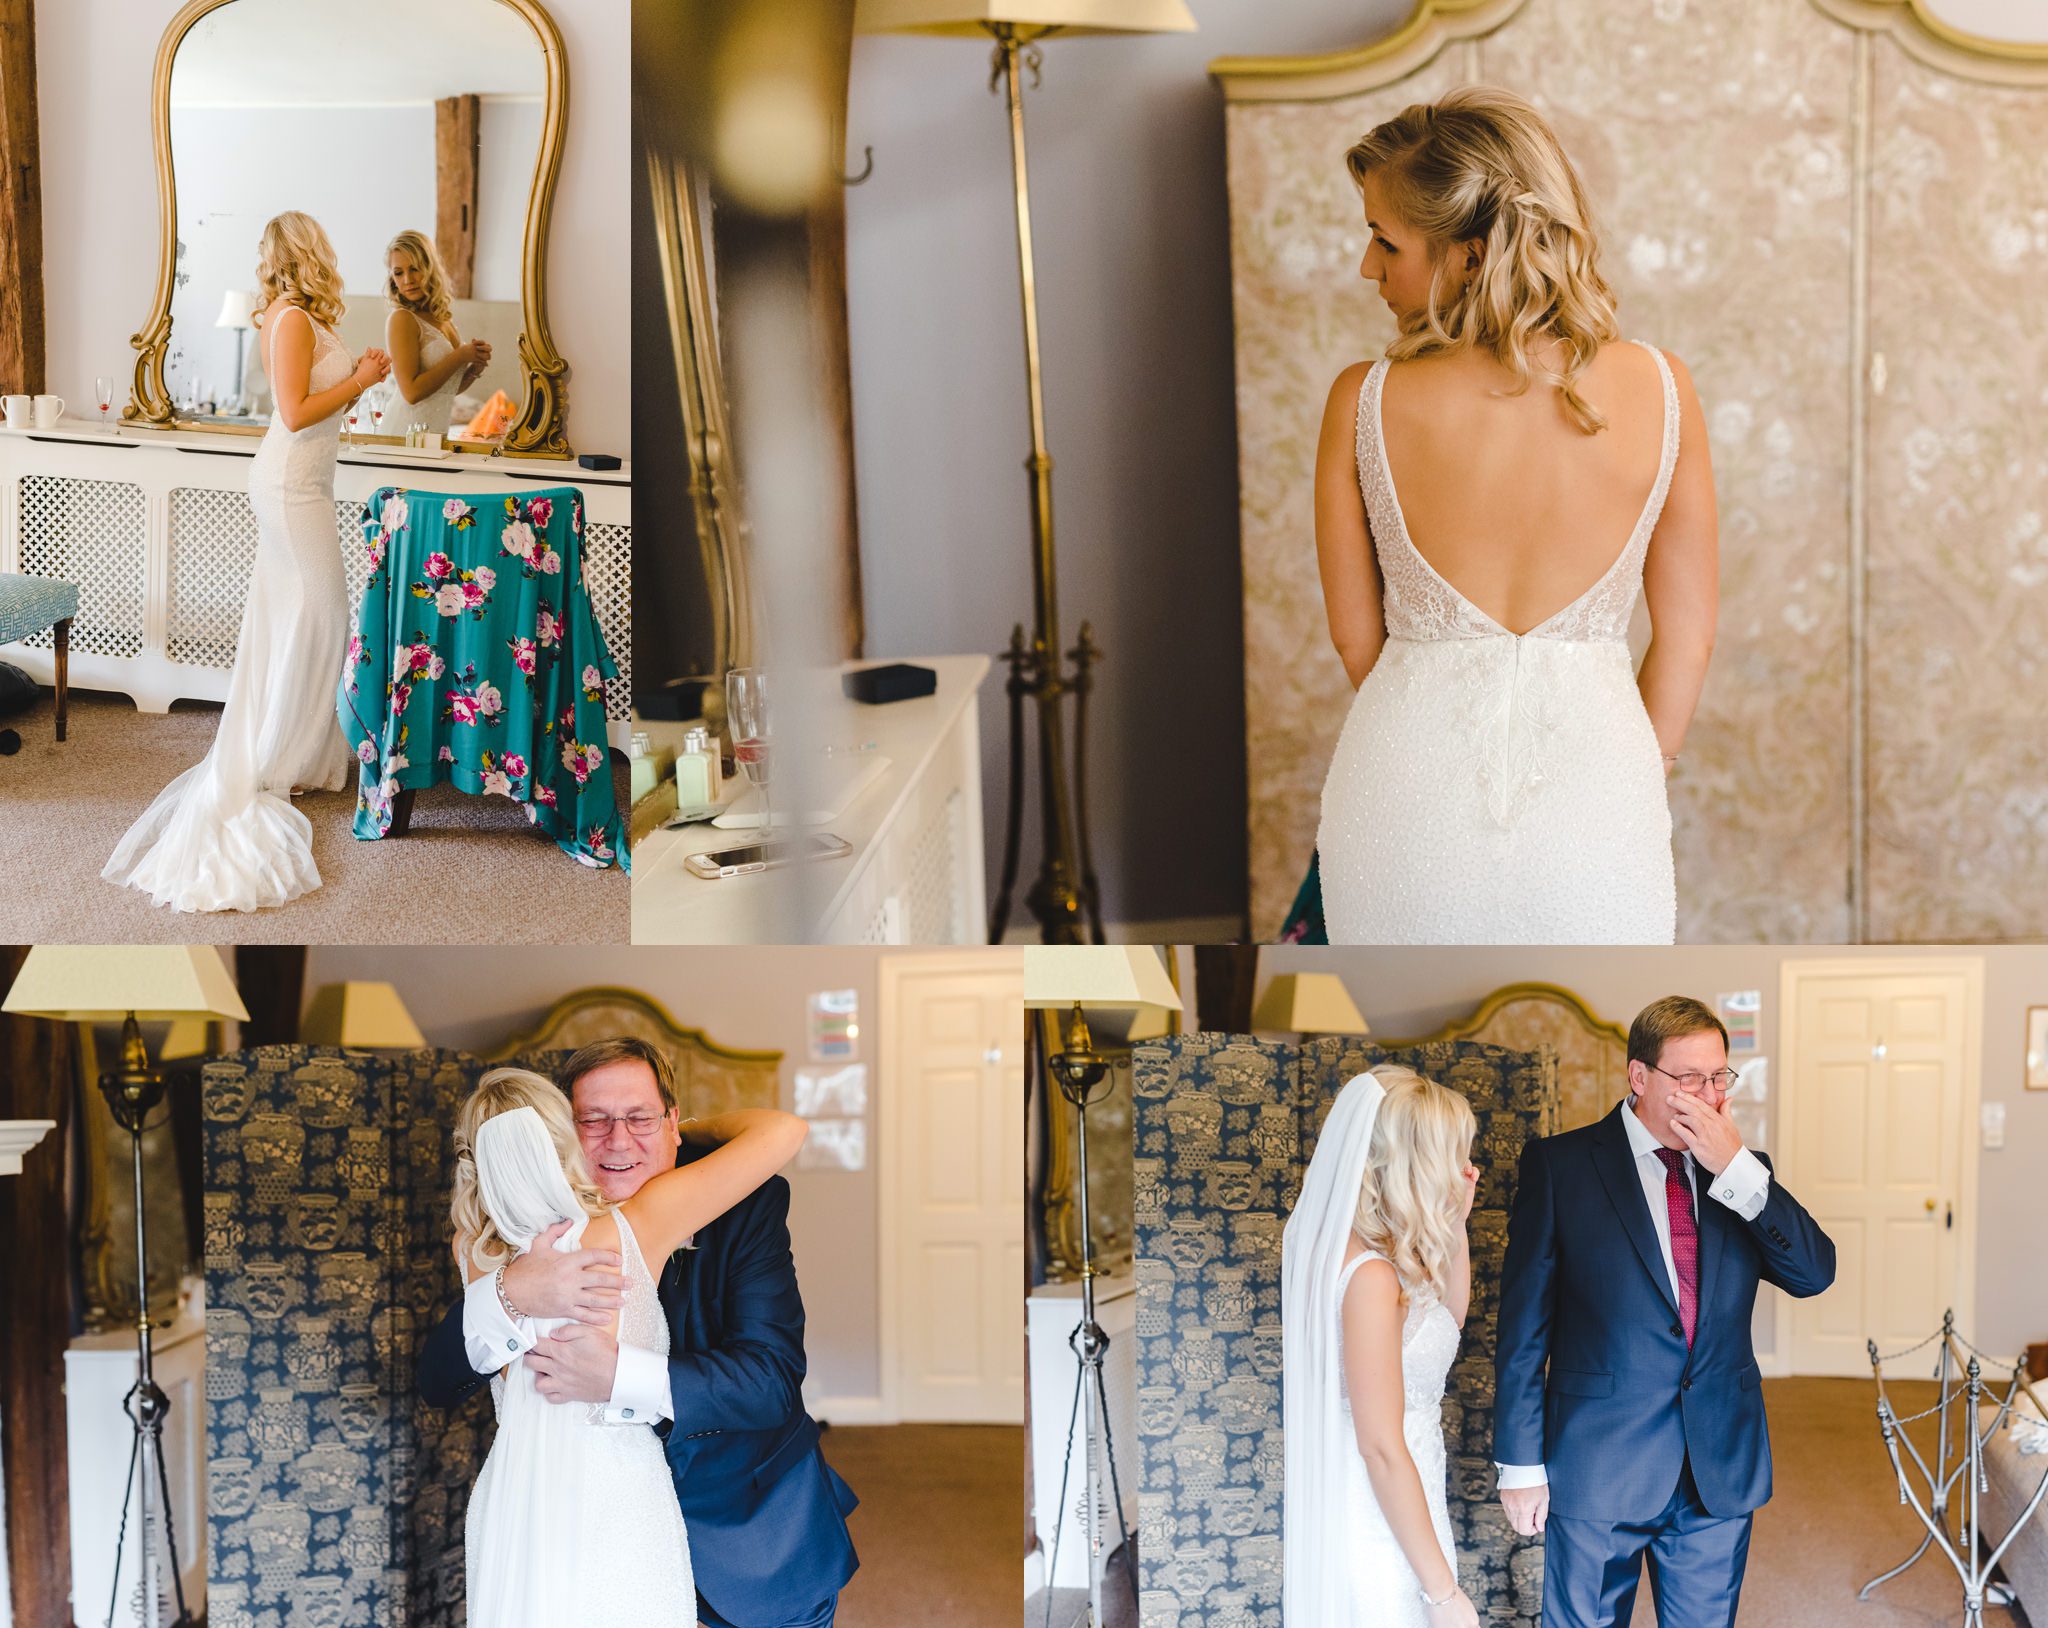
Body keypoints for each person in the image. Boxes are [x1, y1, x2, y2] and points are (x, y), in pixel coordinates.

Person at [1312, 87, 1718, 944]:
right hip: (1605, 792)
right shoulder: (1663, 387)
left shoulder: (1362, 398)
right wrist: (1642, 771)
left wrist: (1434, 712)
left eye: (1385, 241)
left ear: (1468, 254)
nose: (1366, 268)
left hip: (1401, 790)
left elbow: (1357, 642)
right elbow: (1687, 634)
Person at [418, 1039, 860, 1628]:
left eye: (641, 1118)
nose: (619, 1141)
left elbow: (771, 1381)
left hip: (748, 1533)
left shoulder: (740, 1202)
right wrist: (513, 1295)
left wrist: (617, 1375)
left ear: (673, 1120)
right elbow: (439, 1380)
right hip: (563, 1525)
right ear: (561, 1133)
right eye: (592, 1121)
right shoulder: (510, 1248)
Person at [1493, 996, 1837, 1627]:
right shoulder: (1562, 1167)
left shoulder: (1743, 1174)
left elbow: (1814, 1274)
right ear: (1639, 1077)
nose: (1706, 1094)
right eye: (1688, 1078)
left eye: (1718, 1077)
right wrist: (1520, 1464)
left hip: (1717, 1469)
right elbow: (1522, 1331)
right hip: (1598, 1464)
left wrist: (1734, 1167)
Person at [104, 210, 389, 911]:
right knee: (322, 614)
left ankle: (302, 753)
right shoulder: (289, 318)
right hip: (291, 484)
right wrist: (360, 378)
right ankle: (276, 758)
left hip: (304, 481)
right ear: (305, 251)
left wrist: (353, 383)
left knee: (304, 616)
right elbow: (293, 413)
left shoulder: (301, 316)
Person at [1282, 1064, 1481, 1627]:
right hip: (1377, 1515)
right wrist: (1442, 1595)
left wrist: (1457, 1225)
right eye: (1453, 1154)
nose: (1464, 1168)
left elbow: (1444, 1325)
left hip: (1406, 1494)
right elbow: (1380, 1447)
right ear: (1414, 1162)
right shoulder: (1370, 1277)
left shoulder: (1359, 1247)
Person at [384, 229, 490, 439]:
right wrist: (460, 356)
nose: (407, 280)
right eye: (398, 272)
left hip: (434, 434)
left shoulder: (441, 317)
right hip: (405, 434)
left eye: (415, 269)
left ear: (430, 268)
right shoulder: (402, 319)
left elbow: (446, 391)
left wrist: (474, 368)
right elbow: (412, 393)